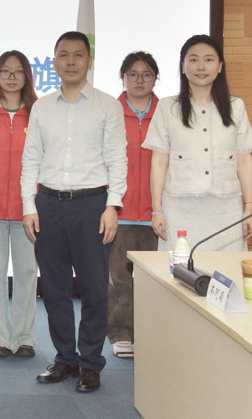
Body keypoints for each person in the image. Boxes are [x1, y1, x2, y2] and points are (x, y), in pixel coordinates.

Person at [20, 31, 127, 393]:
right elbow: (31, 159)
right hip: (48, 205)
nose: (70, 61)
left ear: (89, 61)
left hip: (92, 206)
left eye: (77, 55)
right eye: (63, 55)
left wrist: (113, 205)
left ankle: (91, 363)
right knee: (54, 289)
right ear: (54, 62)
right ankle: (66, 359)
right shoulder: (41, 107)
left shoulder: (107, 106)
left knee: (95, 289)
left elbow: (117, 159)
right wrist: (29, 205)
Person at [144, 34, 252, 252]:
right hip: (179, 209)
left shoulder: (236, 107)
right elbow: (159, 161)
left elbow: (244, 160)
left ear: (220, 66)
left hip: (227, 209)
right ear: (183, 66)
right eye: (193, 59)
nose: (201, 66)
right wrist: (157, 209)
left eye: (208, 59)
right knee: (180, 267)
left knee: (227, 268)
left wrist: (249, 208)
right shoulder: (168, 107)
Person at [0, 50, 38, 360]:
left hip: (29, 210)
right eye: (5, 71)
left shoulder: (39, 113)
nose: (12, 77)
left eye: (18, 72)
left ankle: (24, 337)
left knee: (27, 273)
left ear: (27, 76)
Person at [108, 51, 160, 359]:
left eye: (146, 74)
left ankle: (151, 334)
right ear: (123, 78)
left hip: (157, 213)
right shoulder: (111, 112)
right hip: (121, 210)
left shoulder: (167, 113)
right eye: (132, 74)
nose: (139, 80)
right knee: (119, 279)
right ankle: (120, 333)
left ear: (155, 79)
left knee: (154, 280)